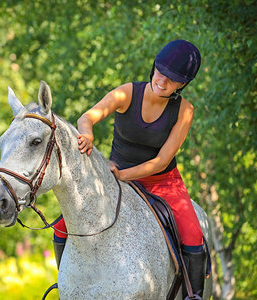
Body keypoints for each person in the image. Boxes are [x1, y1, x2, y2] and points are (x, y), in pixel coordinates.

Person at [53, 39, 206, 299]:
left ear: (182, 84)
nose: (162, 81)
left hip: (162, 181)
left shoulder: (184, 111)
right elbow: (86, 117)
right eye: (161, 72)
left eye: (172, 79)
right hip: (115, 178)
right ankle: (68, 285)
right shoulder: (127, 93)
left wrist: (124, 175)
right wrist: (87, 134)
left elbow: (160, 160)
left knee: (193, 235)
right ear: (154, 67)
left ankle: (195, 296)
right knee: (60, 226)